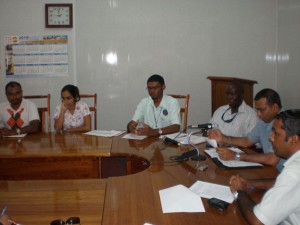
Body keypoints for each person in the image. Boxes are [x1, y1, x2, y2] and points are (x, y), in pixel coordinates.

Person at [230, 109, 300, 225]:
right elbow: (286, 183)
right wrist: (251, 184)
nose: (270, 138)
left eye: (276, 134)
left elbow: (258, 221)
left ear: (294, 140)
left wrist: (239, 192)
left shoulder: (293, 173)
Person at [208, 88, 285, 171]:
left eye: (262, 110)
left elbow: (272, 159)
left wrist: (236, 156)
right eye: (257, 110)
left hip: (285, 175)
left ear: (275, 107)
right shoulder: (263, 121)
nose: (258, 114)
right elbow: (247, 141)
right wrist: (223, 138)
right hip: (271, 170)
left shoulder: (286, 122)